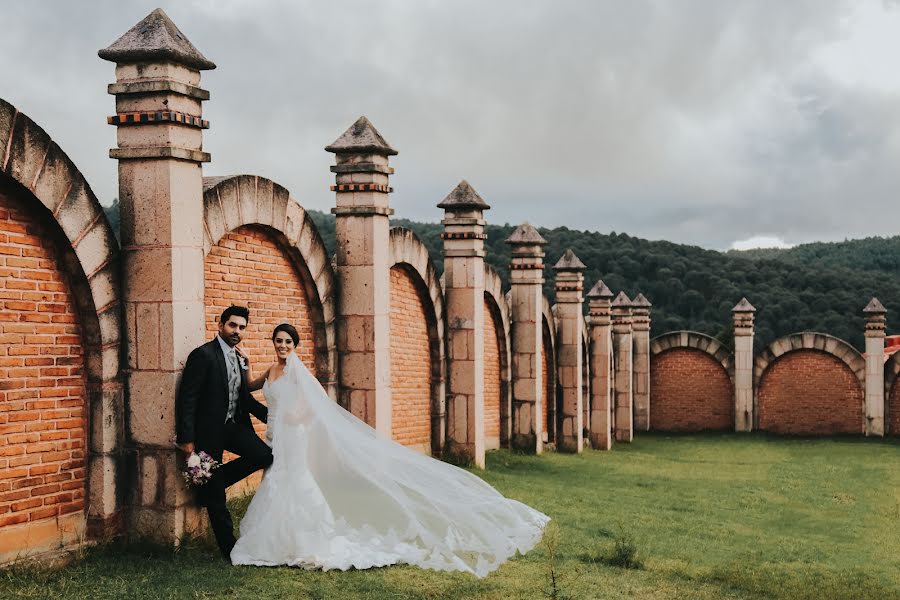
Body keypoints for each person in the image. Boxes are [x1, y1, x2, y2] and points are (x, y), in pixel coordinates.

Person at [229, 323, 550, 577]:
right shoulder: (272, 371)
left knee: (293, 484)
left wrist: (294, 417)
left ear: (295, 345)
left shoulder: (300, 372)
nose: (283, 346)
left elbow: (316, 407)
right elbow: (253, 388)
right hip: (275, 440)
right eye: (279, 341)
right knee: (276, 484)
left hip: (293, 439)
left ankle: (306, 541)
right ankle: (277, 542)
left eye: (287, 341)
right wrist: (244, 362)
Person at [175, 305, 272, 560]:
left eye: (241, 327)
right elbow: (188, 399)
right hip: (207, 433)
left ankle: (210, 484)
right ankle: (229, 548)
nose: (236, 331)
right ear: (220, 325)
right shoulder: (203, 355)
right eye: (232, 325)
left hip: (232, 427)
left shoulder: (239, 358)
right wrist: (186, 439)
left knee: (264, 455)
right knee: (217, 499)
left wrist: (274, 418)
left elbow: (245, 400)